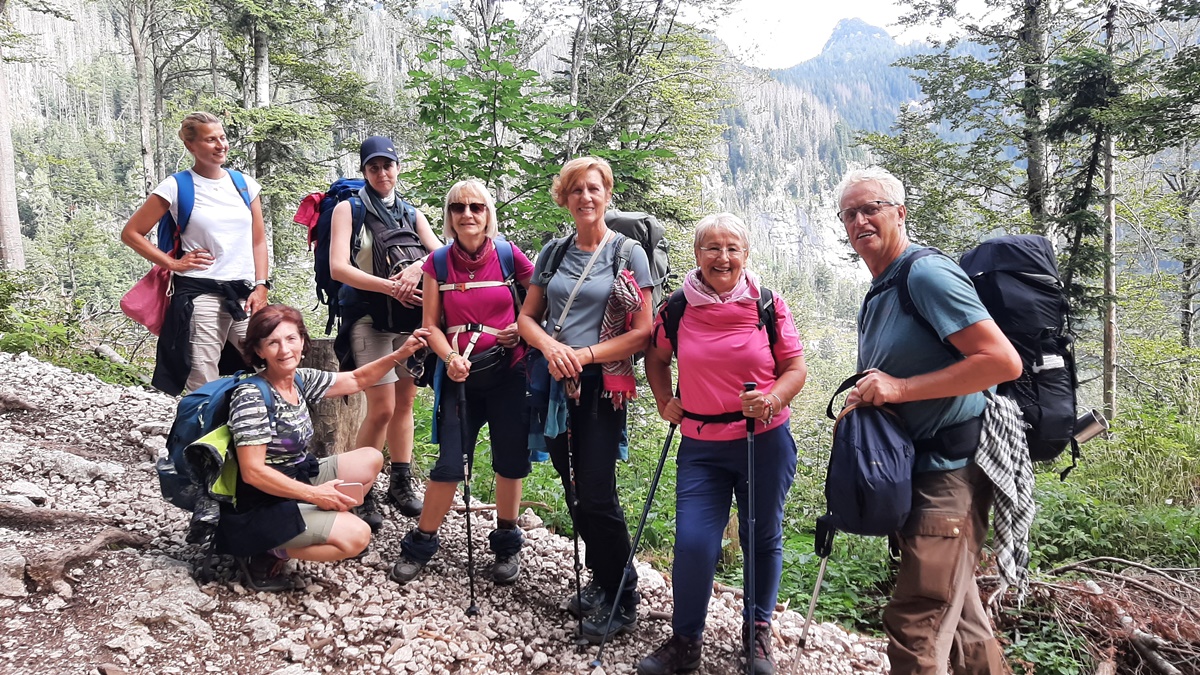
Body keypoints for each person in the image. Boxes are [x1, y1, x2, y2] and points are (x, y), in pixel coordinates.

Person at [835, 166, 1019, 674]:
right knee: (961, 622)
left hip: (949, 473)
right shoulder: (885, 286)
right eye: (849, 214)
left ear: (900, 213)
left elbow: (1002, 362)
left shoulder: (925, 275)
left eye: (870, 209)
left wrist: (899, 389)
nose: (859, 221)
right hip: (919, 467)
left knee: (918, 621)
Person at [638, 213, 807, 675]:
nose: (723, 257)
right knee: (694, 542)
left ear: (746, 254)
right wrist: (664, 400)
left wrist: (771, 399)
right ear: (697, 254)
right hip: (701, 445)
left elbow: (795, 369)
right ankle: (685, 641)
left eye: (732, 248)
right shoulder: (676, 308)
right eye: (712, 247)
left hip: (764, 440)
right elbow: (656, 357)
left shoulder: (768, 304)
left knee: (761, 536)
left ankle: (757, 633)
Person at [516, 156, 654, 643]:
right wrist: (551, 348)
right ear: (565, 197)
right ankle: (604, 575)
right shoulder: (553, 253)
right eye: (576, 189)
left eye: (594, 188)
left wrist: (585, 355)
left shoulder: (628, 254)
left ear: (607, 193)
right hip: (554, 383)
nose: (586, 197)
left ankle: (621, 596)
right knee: (571, 484)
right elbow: (527, 318)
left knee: (595, 490)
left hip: (599, 387)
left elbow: (643, 333)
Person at [216, 304, 431, 592]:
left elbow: (356, 379)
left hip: (295, 476)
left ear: (302, 341)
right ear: (258, 350)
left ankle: (310, 520)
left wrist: (400, 354)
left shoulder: (299, 379)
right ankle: (265, 551)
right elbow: (253, 472)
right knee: (358, 537)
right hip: (261, 503)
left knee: (370, 458)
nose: (284, 350)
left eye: (291, 339)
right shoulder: (252, 397)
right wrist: (316, 494)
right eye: (273, 342)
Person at [388, 180, 534, 586]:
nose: (467, 214)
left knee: (510, 460)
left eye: (476, 207)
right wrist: (450, 358)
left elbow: (541, 301)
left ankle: (506, 544)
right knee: (450, 463)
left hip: (509, 373)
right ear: (449, 216)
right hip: (459, 378)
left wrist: (521, 329)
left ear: (488, 214)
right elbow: (430, 325)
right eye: (458, 208)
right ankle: (421, 543)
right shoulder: (438, 262)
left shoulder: (509, 255)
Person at [329, 136, 443, 520]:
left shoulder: (411, 214)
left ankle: (400, 482)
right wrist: (391, 287)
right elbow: (338, 268)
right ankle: (358, 489)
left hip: (408, 321)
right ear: (364, 171)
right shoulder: (349, 210)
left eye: (387, 165)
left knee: (405, 403)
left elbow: (441, 254)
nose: (382, 173)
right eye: (373, 167)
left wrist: (415, 270)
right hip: (368, 318)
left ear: (397, 167)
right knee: (381, 408)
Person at [121, 111, 269, 396]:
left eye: (222, 137)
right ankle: (204, 425)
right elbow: (131, 233)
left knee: (275, 362)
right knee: (203, 381)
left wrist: (261, 285)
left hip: (244, 294)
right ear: (190, 145)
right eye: (210, 140)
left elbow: (258, 241)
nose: (221, 145)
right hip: (200, 295)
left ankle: (264, 423)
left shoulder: (244, 185)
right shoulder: (176, 186)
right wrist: (173, 263)